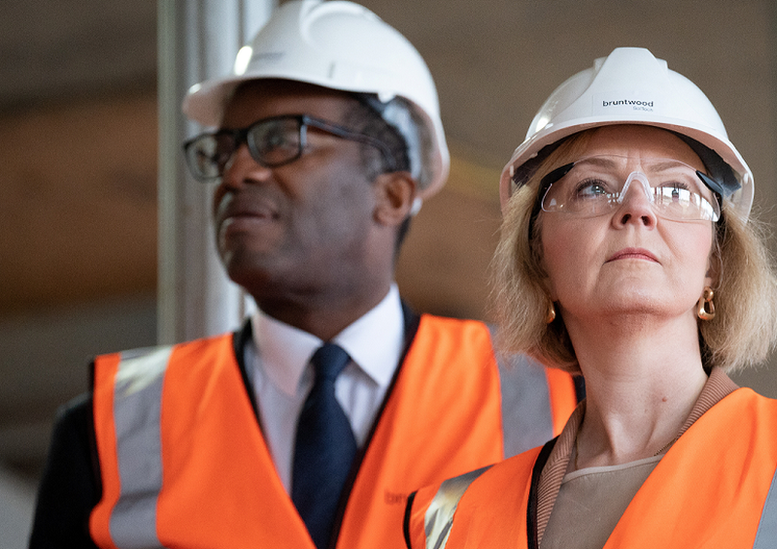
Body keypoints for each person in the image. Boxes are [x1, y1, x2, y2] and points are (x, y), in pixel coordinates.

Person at [28, 2, 579, 548]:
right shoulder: (110, 430)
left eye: (279, 139)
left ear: (392, 194)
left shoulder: (551, 395)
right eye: (225, 150)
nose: (237, 173)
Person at [405, 47, 777, 549]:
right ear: (538, 260)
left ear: (715, 263)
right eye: (591, 188)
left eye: (675, 190)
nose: (636, 208)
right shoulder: (457, 520)